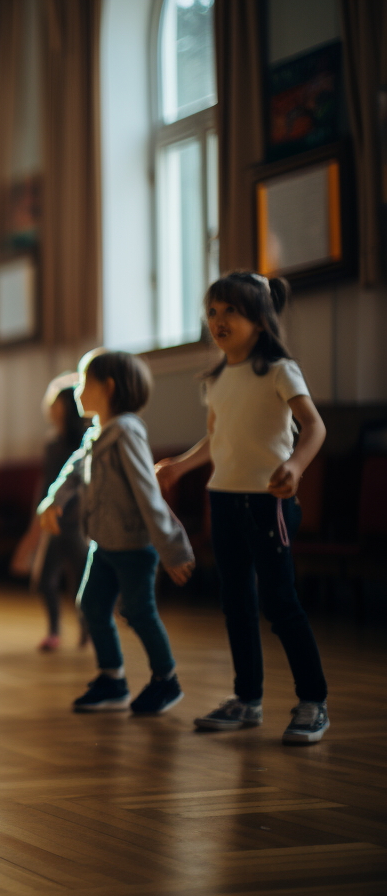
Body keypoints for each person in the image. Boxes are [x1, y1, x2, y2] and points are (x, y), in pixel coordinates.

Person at [156, 273, 330, 745]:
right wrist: (181, 466)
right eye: (212, 312)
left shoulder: (278, 370)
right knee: (235, 602)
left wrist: (294, 467)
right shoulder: (216, 378)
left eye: (230, 310)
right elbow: (218, 436)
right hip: (224, 499)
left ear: (259, 317)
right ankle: (246, 700)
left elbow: (314, 427)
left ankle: (313, 701)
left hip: (267, 501)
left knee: (279, 601)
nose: (218, 320)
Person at [39, 350, 194, 715]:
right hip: (104, 544)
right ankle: (112, 679)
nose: (77, 390)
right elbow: (73, 471)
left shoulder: (126, 433)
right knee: (91, 605)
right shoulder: (97, 434)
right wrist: (53, 499)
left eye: (82, 383)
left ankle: (166, 680)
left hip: (134, 546)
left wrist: (171, 548)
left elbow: (147, 492)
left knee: (139, 611)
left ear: (107, 388)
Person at [26, 374, 90, 651]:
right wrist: (37, 519)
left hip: (77, 522)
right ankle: (54, 631)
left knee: (81, 581)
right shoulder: (51, 443)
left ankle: (87, 629)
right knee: (43, 580)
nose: (50, 408)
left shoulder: (86, 440)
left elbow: (84, 483)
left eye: (56, 403)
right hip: (54, 519)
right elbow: (45, 484)